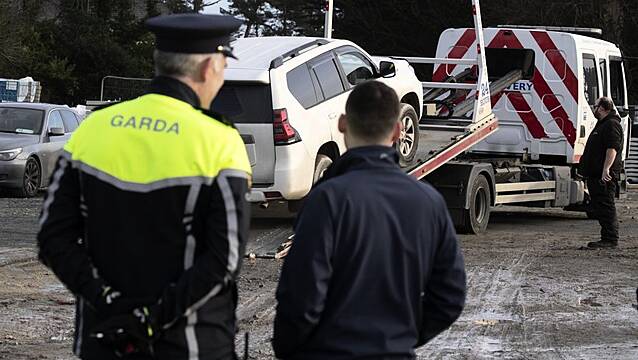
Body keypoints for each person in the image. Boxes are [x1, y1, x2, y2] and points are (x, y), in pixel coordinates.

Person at [37, 14, 251, 359]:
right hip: (190, 344)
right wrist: (150, 320)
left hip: (105, 338)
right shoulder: (220, 140)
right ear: (209, 68)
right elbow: (223, 260)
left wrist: (107, 301)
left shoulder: (94, 128)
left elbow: (52, 238)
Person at [272, 81, 467, 359]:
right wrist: (401, 336)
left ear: (342, 124)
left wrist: (290, 348)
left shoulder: (327, 200)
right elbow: (450, 296)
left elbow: (301, 295)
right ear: (399, 131)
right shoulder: (429, 202)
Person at [580, 96, 624, 249]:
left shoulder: (611, 124)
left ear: (602, 108)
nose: (593, 108)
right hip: (597, 174)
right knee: (600, 207)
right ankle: (607, 237)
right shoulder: (603, 124)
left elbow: (612, 149)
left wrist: (606, 169)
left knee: (606, 206)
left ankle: (610, 239)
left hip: (604, 176)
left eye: (596, 105)